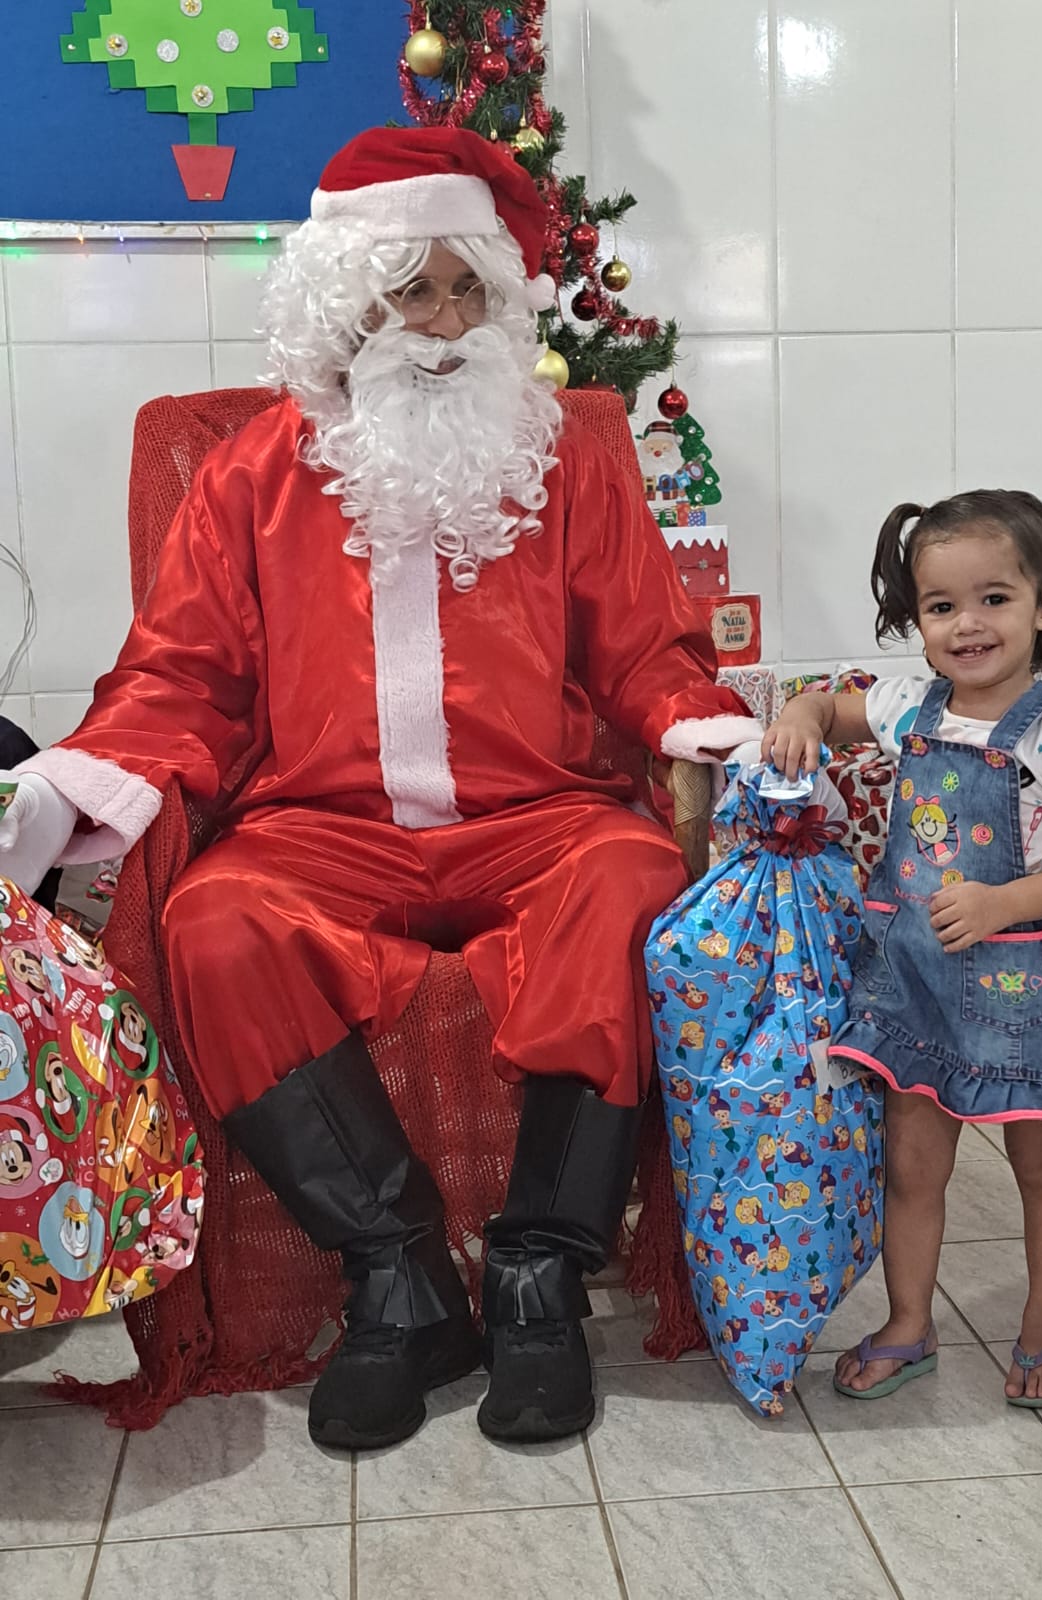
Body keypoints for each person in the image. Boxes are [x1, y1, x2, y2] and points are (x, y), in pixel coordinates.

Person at [0, 126, 760, 1451]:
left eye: (469, 291)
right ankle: (400, 1284)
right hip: (323, 826)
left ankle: (535, 1277)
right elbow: (184, 675)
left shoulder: (566, 456)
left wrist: (714, 734)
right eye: (415, 292)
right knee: (215, 923)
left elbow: (645, 647)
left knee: (633, 879)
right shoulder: (249, 474)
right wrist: (69, 782)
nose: (447, 326)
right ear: (348, 303)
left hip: (537, 818)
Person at [762, 490, 1042, 1410]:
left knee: (1041, 1169)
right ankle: (907, 1324)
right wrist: (804, 717)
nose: (967, 624)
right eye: (941, 606)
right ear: (917, 620)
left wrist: (1005, 901)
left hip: (1026, 987)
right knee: (912, 1168)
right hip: (915, 984)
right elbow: (826, 705)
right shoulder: (906, 706)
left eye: (993, 598)